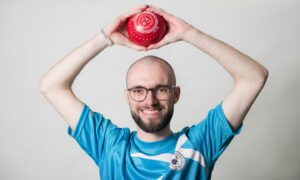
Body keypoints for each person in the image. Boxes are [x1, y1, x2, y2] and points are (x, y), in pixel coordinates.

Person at [40, 5, 268, 180]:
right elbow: (51, 86)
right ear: (127, 95)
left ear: (175, 94)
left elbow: (253, 77)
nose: (150, 100)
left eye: (160, 89)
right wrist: (104, 38)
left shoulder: (199, 145)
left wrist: (189, 33)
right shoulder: (108, 144)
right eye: (138, 90)